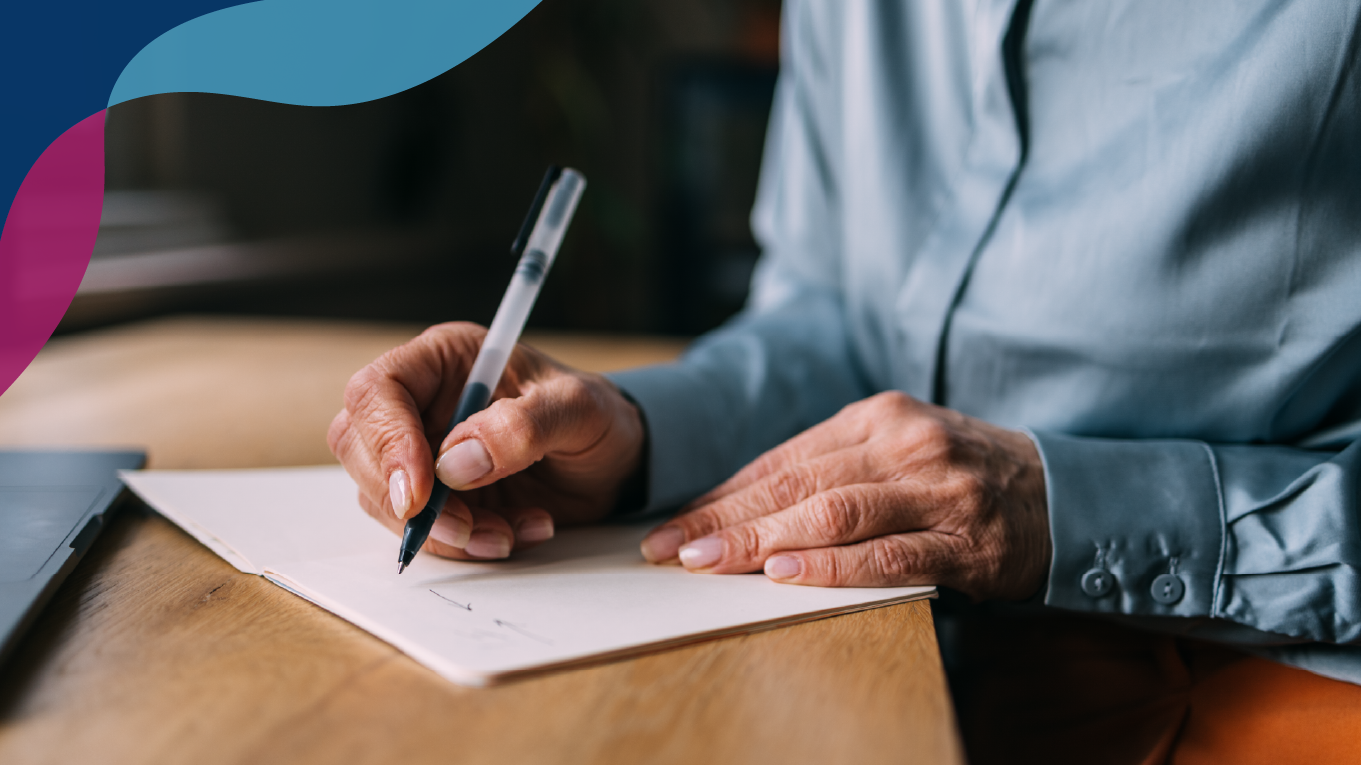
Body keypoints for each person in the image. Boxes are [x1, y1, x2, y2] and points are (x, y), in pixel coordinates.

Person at [329, 0, 1361, 761]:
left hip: (1268, 665)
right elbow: (830, 312)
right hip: (889, 648)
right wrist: (635, 433)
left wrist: (1061, 512)